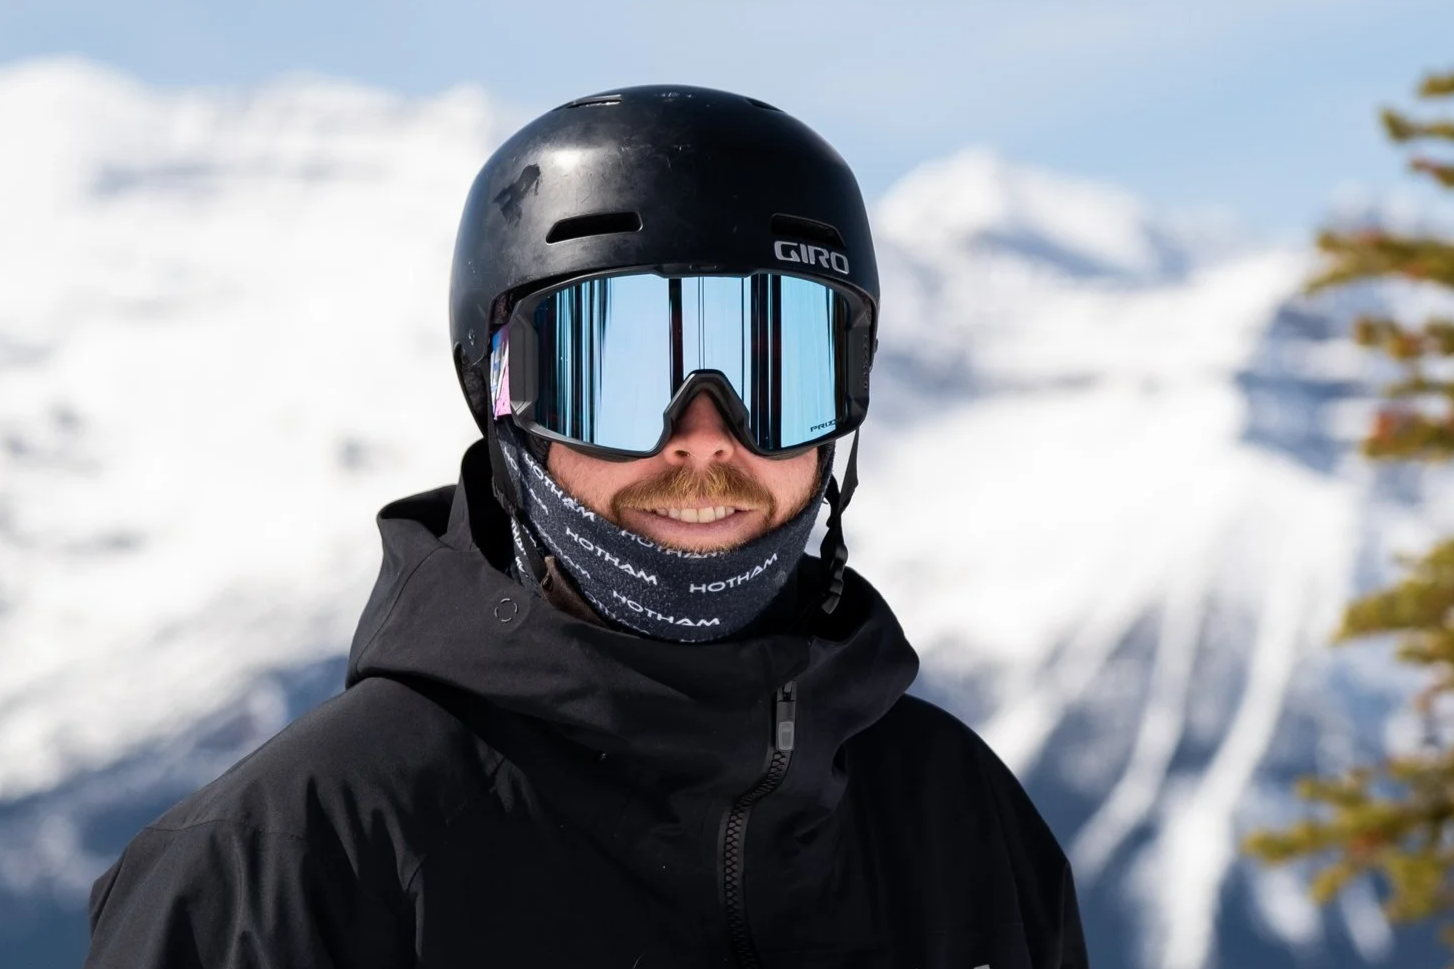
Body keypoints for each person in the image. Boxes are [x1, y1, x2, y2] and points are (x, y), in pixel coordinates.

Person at [84, 85, 1089, 969]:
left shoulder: (960, 824)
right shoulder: (280, 867)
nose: (705, 437)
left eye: (774, 372)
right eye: (620, 373)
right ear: (501, 394)